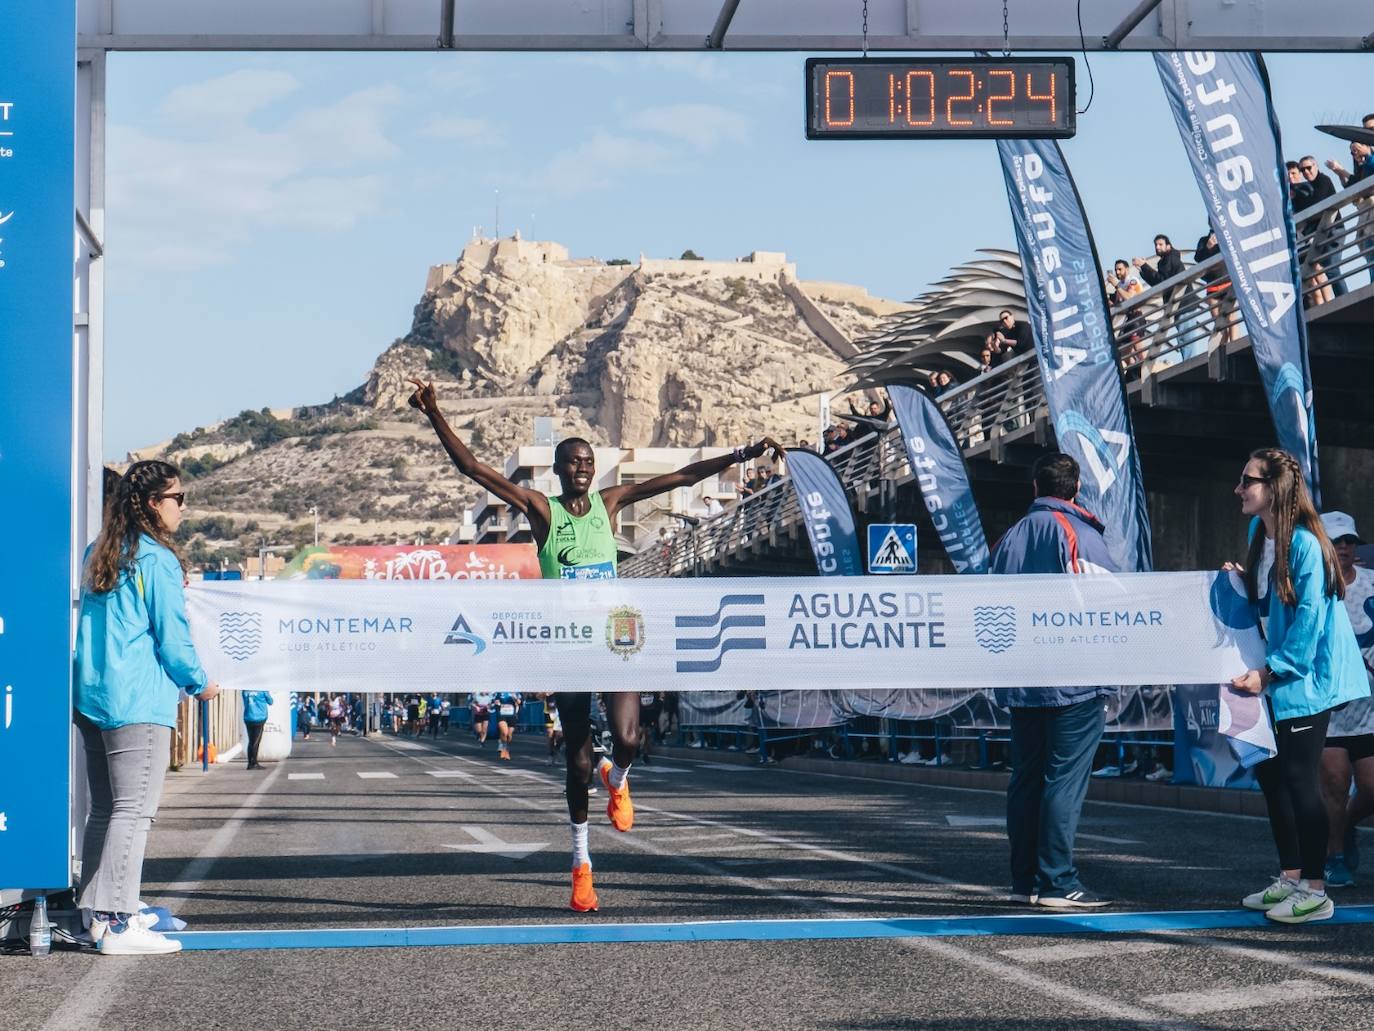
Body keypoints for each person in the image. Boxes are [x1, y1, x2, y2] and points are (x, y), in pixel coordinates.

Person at [408, 375, 780, 912]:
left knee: (628, 739)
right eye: (573, 461)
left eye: (588, 460)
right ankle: (582, 865)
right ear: (559, 471)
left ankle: (620, 776)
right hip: (566, 646)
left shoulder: (611, 502)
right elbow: (475, 470)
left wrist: (745, 454)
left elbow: (682, 475)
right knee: (577, 763)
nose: (582, 467)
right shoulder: (542, 510)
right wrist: (434, 413)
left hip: (614, 639)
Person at [75, 460, 220, 955]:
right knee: (134, 812)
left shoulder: (101, 551)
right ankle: (117, 923)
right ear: (155, 504)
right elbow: (173, 640)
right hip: (139, 698)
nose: (184, 507)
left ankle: (96, 914)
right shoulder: (156, 560)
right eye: (179, 498)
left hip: (93, 696)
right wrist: (200, 683)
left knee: (106, 810)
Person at [1227, 449, 1369, 924]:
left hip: (1307, 677)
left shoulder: (1308, 545)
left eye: (1248, 481)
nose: (1239, 489)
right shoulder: (1259, 533)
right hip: (1277, 675)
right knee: (1272, 779)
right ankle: (1290, 878)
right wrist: (1242, 581)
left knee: (1299, 779)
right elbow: (1271, 598)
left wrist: (1268, 673)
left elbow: (1308, 623)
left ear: (1275, 488)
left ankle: (1315, 888)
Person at [990, 452, 1116, 909]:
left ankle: (1025, 880)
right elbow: (1110, 605)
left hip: (1021, 677)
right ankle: (1059, 882)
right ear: (1076, 489)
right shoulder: (1078, 533)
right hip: (1074, 676)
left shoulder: (1010, 538)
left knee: (1026, 779)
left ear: (1035, 488)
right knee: (1063, 779)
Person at [1316, 512, 1374, 887]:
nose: (1344, 548)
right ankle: (1333, 855)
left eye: (1349, 541)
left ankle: (1347, 827)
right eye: (1336, 541)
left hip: (1369, 710)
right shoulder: (1310, 587)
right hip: (1329, 708)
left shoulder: (1372, 584)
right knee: (1335, 785)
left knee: (1371, 789)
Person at [243, 691, 272, 770]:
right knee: (256, 742)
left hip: (248, 717)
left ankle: (250, 763)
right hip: (259, 718)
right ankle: (254, 763)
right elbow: (270, 701)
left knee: (251, 741)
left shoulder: (245, 690)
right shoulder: (262, 690)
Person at [492, 690, 522, 760]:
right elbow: (494, 701)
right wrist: (497, 702)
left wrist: (515, 698)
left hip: (512, 715)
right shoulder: (499, 691)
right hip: (502, 714)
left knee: (509, 735)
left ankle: (506, 748)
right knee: (504, 733)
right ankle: (504, 750)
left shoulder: (516, 692)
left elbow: (520, 702)